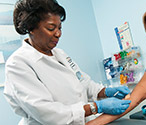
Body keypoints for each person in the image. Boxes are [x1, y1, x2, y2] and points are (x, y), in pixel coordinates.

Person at [3, 0, 131, 124]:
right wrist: (96, 107)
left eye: (59, 27)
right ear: (31, 28)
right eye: (51, 28)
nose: (58, 34)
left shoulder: (60, 54)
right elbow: (46, 112)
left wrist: (106, 92)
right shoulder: (18, 64)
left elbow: (84, 84)